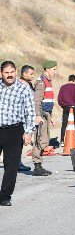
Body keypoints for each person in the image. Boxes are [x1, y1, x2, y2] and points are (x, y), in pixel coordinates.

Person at [0, 61, 36, 206]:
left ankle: (4, 195)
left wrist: (28, 132)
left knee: (11, 165)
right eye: (6, 72)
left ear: (16, 72)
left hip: (14, 131)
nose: (10, 75)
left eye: (12, 72)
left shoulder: (24, 89)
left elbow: (30, 112)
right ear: (1, 73)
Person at [32, 60, 57, 177]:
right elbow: (37, 101)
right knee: (40, 140)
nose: (55, 71)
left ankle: (39, 164)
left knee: (45, 140)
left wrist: (50, 117)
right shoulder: (41, 82)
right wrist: (38, 116)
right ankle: (37, 165)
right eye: (53, 69)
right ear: (47, 69)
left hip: (46, 114)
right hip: (41, 115)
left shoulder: (48, 81)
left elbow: (48, 101)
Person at [16, 65, 36, 172]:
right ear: (24, 74)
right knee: (18, 142)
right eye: (31, 74)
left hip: (24, 118)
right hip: (21, 119)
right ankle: (17, 163)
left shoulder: (28, 84)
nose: (33, 76)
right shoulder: (22, 85)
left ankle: (16, 162)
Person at [57, 75, 75, 144]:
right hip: (73, 107)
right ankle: (71, 138)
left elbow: (59, 99)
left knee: (64, 124)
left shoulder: (63, 87)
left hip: (65, 107)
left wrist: (63, 105)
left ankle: (62, 141)